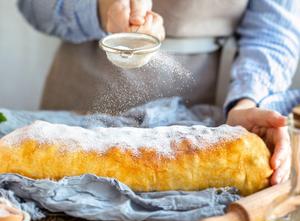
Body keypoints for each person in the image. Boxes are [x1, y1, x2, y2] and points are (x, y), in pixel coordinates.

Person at [17, 0, 300, 185]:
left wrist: (245, 102)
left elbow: (274, 30)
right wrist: (102, 11)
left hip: (206, 115)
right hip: (81, 93)